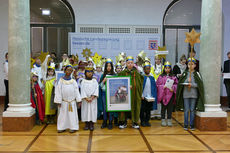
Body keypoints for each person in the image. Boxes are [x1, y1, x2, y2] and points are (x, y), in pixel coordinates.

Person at [176, 58, 204, 130]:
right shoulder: (185, 73)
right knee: (186, 109)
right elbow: (180, 83)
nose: (190, 66)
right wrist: (186, 81)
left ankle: (191, 124)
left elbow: (199, 85)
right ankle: (185, 124)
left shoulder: (197, 74)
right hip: (186, 94)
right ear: (187, 65)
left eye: (192, 64)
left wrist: (192, 84)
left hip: (194, 94)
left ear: (195, 65)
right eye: (189, 64)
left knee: (192, 110)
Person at [54, 65, 82, 133]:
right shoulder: (61, 80)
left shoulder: (73, 81)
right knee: (63, 115)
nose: (68, 71)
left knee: (72, 115)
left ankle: (73, 127)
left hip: (72, 102)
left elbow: (76, 91)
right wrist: (58, 101)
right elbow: (58, 91)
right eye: (67, 70)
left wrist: (79, 100)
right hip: (64, 101)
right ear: (64, 71)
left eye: (70, 70)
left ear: (72, 71)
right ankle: (61, 127)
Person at [118, 56, 144, 129]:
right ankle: (123, 122)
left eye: (131, 63)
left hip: (135, 94)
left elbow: (140, 83)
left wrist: (135, 87)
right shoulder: (122, 73)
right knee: (124, 107)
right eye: (128, 63)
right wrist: (125, 87)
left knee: (135, 107)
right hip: (124, 95)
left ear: (133, 64)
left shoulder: (137, 73)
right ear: (126, 64)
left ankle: (135, 122)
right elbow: (118, 84)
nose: (130, 64)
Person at [156, 61, 178, 127]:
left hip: (170, 95)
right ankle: (163, 119)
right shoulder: (161, 76)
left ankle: (169, 119)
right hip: (163, 95)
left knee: (170, 108)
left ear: (170, 68)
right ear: (164, 68)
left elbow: (176, 84)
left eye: (169, 68)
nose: (167, 69)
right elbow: (157, 85)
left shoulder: (173, 77)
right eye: (166, 68)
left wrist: (173, 88)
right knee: (163, 108)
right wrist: (163, 87)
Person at [80, 66, 99, 131]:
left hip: (92, 100)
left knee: (92, 111)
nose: (89, 73)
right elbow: (82, 90)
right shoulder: (83, 81)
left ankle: (91, 124)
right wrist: (86, 98)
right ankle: (86, 123)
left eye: (91, 72)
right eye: (88, 72)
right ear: (85, 73)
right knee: (85, 111)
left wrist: (92, 97)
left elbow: (96, 89)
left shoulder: (95, 81)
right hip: (86, 100)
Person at [99, 58, 116, 129]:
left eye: (110, 66)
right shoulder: (103, 75)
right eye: (107, 66)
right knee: (105, 108)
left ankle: (110, 122)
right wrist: (103, 81)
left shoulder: (115, 75)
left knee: (111, 108)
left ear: (112, 67)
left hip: (111, 94)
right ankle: (104, 121)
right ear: (105, 67)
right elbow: (100, 86)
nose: (108, 67)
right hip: (104, 93)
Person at [140, 62, 157, 127]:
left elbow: (153, 87)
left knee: (148, 110)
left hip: (150, 97)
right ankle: (142, 121)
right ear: (144, 70)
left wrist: (153, 95)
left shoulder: (152, 77)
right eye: (147, 69)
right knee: (142, 110)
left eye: (149, 69)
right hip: (143, 97)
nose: (148, 70)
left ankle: (147, 121)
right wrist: (141, 95)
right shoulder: (142, 77)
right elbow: (140, 87)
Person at [150, 55, 164, 119]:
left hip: (161, 86)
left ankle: (159, 114)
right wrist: (155, 81)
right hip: (154, 86)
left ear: (160, 60)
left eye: (158, 59)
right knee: (154, 99)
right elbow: (151, 75)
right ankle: (153, 114)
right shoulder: (152, 67)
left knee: (159, 99)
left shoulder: (163, 67)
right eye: (156, 59)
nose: (157, 60)